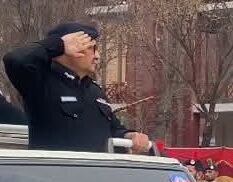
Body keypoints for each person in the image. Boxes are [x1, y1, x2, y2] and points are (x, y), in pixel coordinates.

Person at [3, 23, 150, 153]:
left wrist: (129, 136)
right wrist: (58, 45)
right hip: (55, 176)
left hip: (96, 175)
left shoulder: (94, 90)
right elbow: (15, 59)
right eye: (91, 48)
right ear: (68, 50)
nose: (97, 56)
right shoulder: (41, 82)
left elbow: (111, 130)